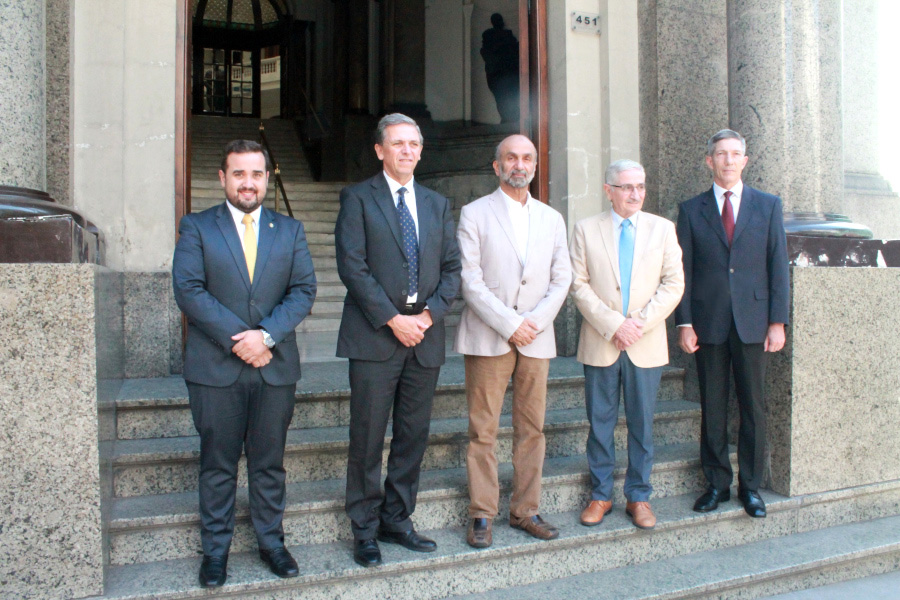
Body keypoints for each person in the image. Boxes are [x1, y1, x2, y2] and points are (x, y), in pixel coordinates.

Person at [172, 140, 317, 588]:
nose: (248, 182)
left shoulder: (289, 230)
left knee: (269, 462)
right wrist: (243, 340)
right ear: (223, 178)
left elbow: (304, 290)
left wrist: (267, 336)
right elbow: (189, 290)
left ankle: (272, 542)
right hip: (216, 368)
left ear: (267, 178)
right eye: (239, 174)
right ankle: (215, 551)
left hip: (274, 367)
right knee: (218, 463)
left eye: (256, 174)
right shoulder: (197, 227)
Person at [335, 113, 461, 567]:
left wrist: (427, 316)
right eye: (398, 143)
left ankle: (397, 519)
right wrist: (392, 318)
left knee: (413, 435)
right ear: (379, 150)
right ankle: (365, 529)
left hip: (424, 336)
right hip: (375, 337)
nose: (407, 150)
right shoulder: (357, 198)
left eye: (414, 143)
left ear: (421, 151)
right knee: (367, 437)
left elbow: (452, 270)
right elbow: (353, 266)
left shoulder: (436, 203)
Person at [454, 134, 571, 548]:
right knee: (483, 430)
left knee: (532, 428)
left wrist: (533, 323)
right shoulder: (474, 213)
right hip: (489, 336)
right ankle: (482, 514)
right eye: (511, 158)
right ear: (496, 165)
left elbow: (562, 279)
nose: (519, 164)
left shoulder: (552, 218)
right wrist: (510, 323)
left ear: (535, 166)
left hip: (536, 339)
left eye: (526, 158)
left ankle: (526, 510)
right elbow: (470, 280)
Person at [675, 129, 790, 519]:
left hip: (754, 322)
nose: (727, 160)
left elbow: (778, 266)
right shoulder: (691, 210)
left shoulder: (768, 206)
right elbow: (683, 272)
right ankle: (717, 484)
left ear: (745, 160)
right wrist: (684, 323)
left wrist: (778, 321)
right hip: (707, 323)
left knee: (753, 406)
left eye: (735, 154)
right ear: (709, 161)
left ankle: (751, 487)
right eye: (720, 154)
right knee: (713, 405)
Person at [569, 160, 684, 530]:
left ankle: (639, 496)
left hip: (645, 343)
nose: (635, 193)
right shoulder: (586, 230)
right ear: (608, 190)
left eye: (640, 186)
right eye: (626, 187)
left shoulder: (663, 229)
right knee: (600, 423)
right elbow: (578, 285)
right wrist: (614, 325)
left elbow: (673, 284)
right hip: (601, 341)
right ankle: (601, 495)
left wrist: (637, 324)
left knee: (642, 424)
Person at [480, 13, 520, 123]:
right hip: (498, 74)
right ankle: (507, 118)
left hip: (509, 73)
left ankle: (512, 117)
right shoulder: (488, 35)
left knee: (511, 96)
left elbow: (515, 51)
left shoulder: (508, 34)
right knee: (502, 98)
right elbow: (486, 52)